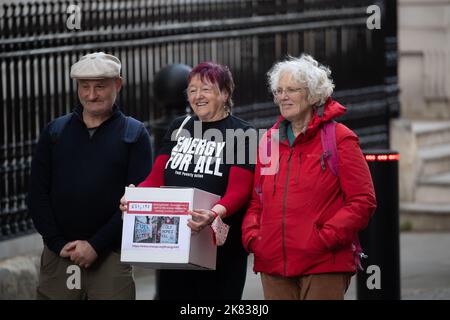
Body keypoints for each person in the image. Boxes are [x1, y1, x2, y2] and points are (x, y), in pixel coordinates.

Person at [241, 54, 377, 300]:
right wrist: (254, 238)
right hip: (273, 264)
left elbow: (362, 201)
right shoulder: (269, 142)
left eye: (291, 90)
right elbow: (256, 200)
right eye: (278, 90)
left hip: (323, 264)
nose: (282, 96)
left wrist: (324, 239)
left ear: (313, 94)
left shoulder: (340, 138)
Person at [120, 62, 255, 300]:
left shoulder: (243, 133)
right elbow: (156, 176)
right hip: (175, 245)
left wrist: (213, 213)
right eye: (192, 90)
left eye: (206, 89)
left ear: (225, 94)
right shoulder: (179, 126)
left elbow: (240, 190)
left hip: (219, 250)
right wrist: (135, 197)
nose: (198, 96)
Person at [28, 52, 153, 300]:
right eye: (84, 87)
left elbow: (139, 202)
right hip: (59, 256)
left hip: (111, 256)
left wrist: (96, 245)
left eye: (100, 86)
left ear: (118, 84)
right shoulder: (55, 132)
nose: (91, 95)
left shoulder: (134, 135)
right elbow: (36, 194)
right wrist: (56, 242)